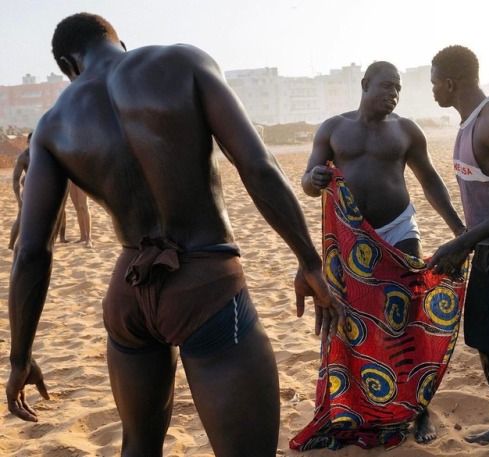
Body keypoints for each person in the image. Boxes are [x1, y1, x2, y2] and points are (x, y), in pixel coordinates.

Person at [5, 12, 344, 457]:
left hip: (128, 292)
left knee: (139, 446)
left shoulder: (52, 125)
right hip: (204, 281)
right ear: (118, 43)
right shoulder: (182, 63)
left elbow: (31, 251)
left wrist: (19, 358)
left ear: (69, 64)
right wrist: (309, 262)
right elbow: (257, 167)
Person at [301, 60, 466, 444]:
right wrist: (314, 178)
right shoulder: (334, 128)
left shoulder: (406, 130)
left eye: (398, 89)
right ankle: (359, 405)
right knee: (354, 318)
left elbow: (429, 181)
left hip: (399, 229)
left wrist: (460, 231)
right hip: (352, 237)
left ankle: (418, 410)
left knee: (408, 316)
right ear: (364, 84)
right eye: (386, 86)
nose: (392, 94)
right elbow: (309, 182)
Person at [429, 45, 489, 445]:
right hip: (486, 251)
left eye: (435, 82)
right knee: (484, 345)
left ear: (450, 83)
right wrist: (468, 245)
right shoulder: (464, 125)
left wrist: (462, 243)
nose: (433, 90)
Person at [8, 132, 67, 249]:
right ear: (28, 142)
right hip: (30, 192)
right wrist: (18, 200)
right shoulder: (24, 157)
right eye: (31, 141)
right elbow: (15, 180)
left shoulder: (45, 154)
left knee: (62, 213)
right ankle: (10, 244)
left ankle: (62, 238)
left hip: (46, 190)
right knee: (21, 216)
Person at [69, 182, 92, 248]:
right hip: (71, 179)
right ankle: (83, 236)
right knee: (77, 208)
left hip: (81, 177)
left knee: (84, 206)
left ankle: (89, 238)